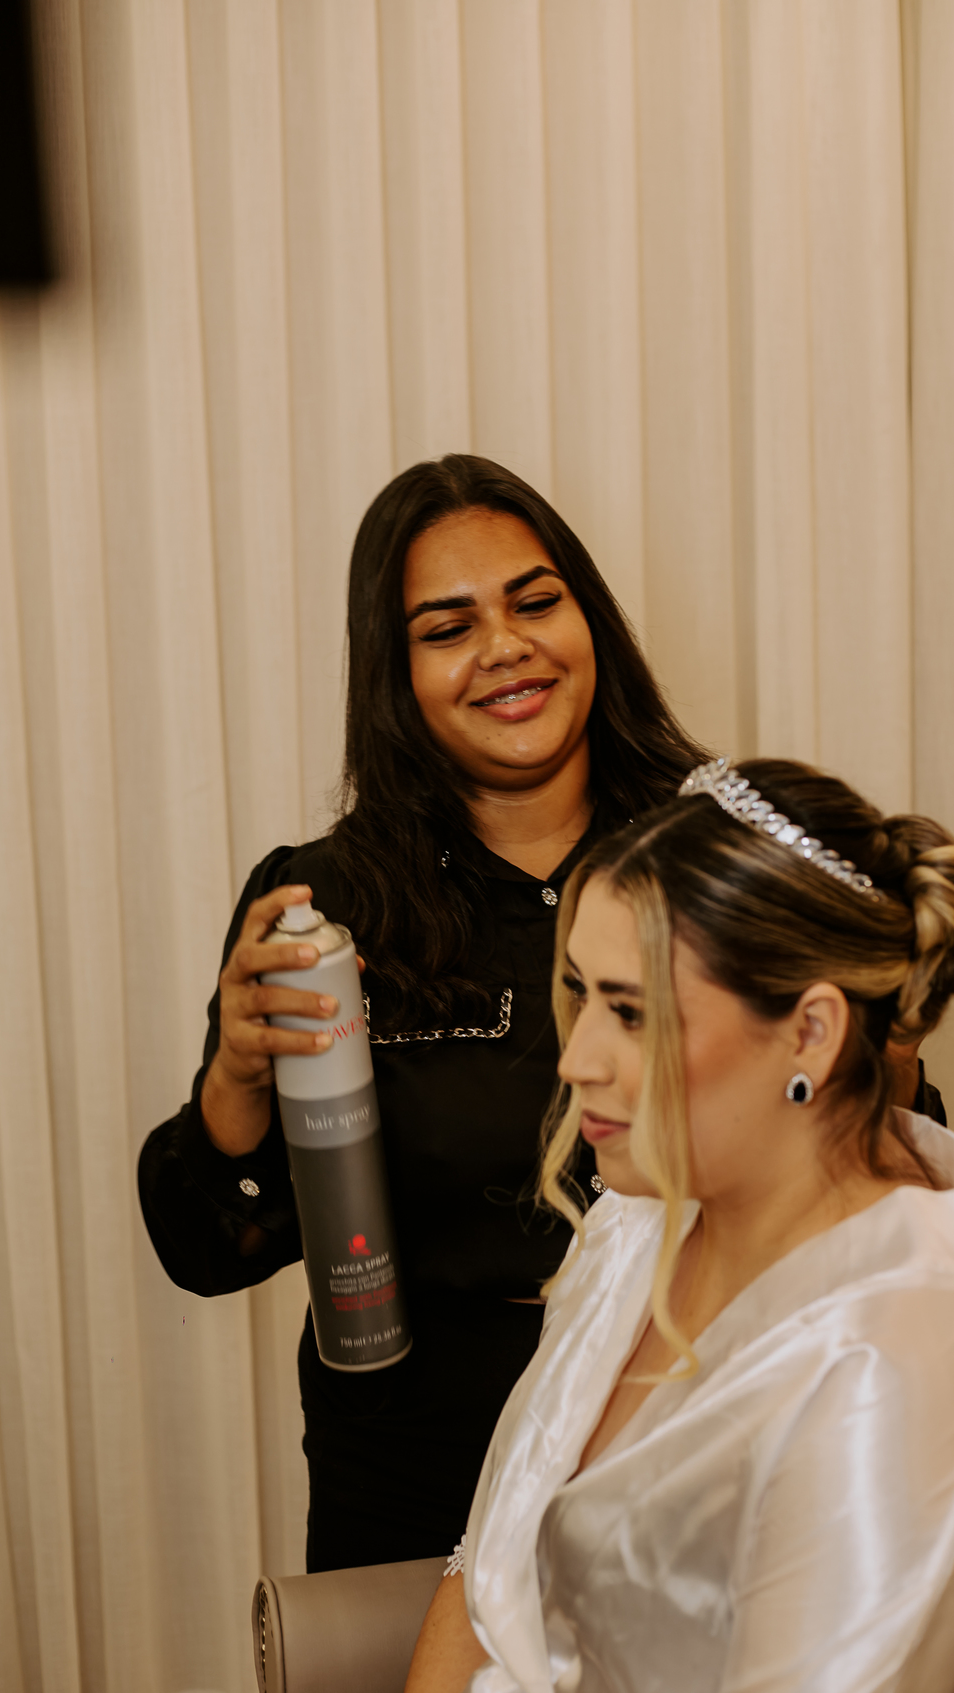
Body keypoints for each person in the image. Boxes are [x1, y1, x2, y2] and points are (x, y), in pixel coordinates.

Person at [377, 756, 954, 1693]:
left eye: (632, 1012)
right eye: (581, 995)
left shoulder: (898, 1373)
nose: (575, 1060)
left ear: (810, 1032)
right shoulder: (639, 1224)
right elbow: (487, 1571)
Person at [138, 454, 720, 1571]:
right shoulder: (325, 905)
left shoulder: (716, 859)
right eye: (449, 628)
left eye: (535, 603)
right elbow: (208, 1253)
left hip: (691, 1431)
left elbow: (863, 1157)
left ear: (589, 622)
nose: (505, 646)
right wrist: (236, 1083)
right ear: (396, 675)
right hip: (422, 1468)